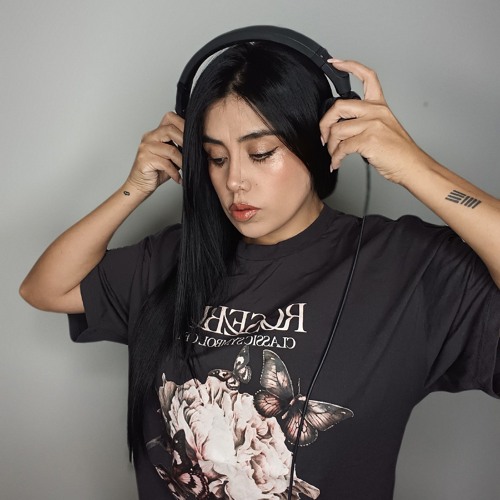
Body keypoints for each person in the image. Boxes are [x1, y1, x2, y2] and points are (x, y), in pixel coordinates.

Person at [20, 38, 499, 500]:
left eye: (261, 153)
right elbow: (44, 288)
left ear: (318, 141)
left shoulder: (404, 266)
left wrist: (412, 165)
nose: (234, 180)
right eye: (215, 157)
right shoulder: (179, 256)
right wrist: (135, 187)